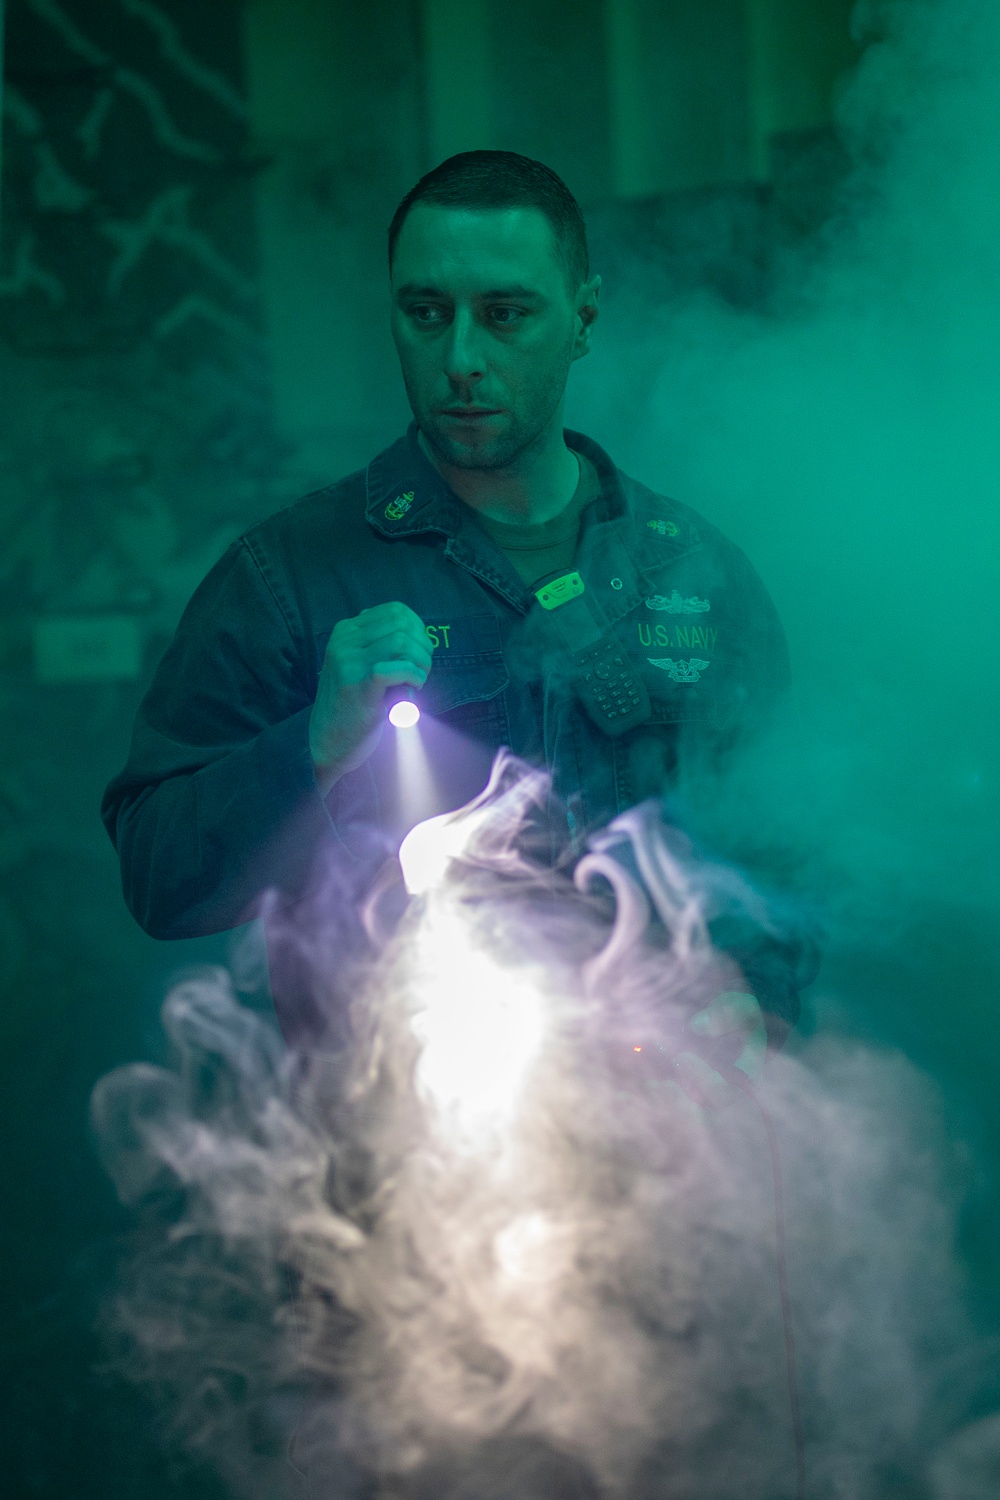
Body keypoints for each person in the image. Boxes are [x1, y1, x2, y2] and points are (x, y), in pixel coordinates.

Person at [103, 151, 811, 1058]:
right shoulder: (290, 577)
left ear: (583, 317)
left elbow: (788, 846)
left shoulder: (695, 574)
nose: (461, 359)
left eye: (505, 313)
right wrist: (316, 746)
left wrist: (758, 995)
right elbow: (160, 879)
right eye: (426, 314)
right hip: (407, 1162)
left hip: (671, 1150)